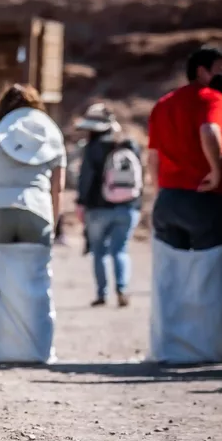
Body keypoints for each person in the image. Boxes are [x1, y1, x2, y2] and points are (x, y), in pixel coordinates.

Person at [148, 47, 222, 252]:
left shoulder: (163, 103)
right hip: (204, 197)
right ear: (201, 71)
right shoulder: (212, 98)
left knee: (170, 274)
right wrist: (216, 172)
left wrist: (160, 192)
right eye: (221, 70)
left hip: (168, 200)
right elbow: (209, 129)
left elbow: (153, 156)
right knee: (210, 273)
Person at [0, 84, 66, 246]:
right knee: (35, 270)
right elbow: (58, 187)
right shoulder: (51, 135)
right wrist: (52, 225)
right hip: (37, 208)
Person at [74, 103, 142, 307]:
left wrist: (81, 202)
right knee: (120, 250)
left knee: (99, 252)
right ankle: (122, 289)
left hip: (97, 208)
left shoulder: (92, 148)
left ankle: (102, 294)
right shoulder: (130, 144)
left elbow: (85, 179)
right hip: (128, 206)